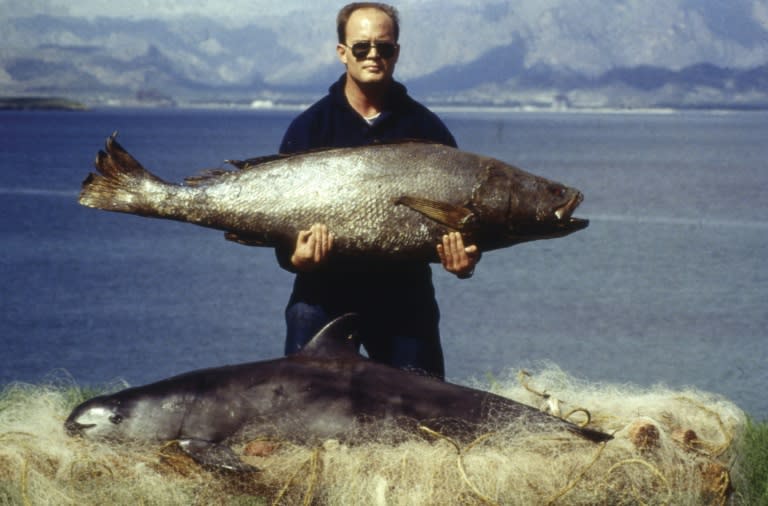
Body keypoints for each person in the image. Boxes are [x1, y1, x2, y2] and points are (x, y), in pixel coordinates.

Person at [277, 2, 479, 380]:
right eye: (361, 46)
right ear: (342, 53)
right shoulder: (309, 128)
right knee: (303, 412)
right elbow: (277, 219)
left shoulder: (428, 130)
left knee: (426, 418)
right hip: (322, 294)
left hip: (404, 298)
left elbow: (459, 219)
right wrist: (294, 257)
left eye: (384, 47)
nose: (373, 55)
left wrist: (465, 262)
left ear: (396, 53)